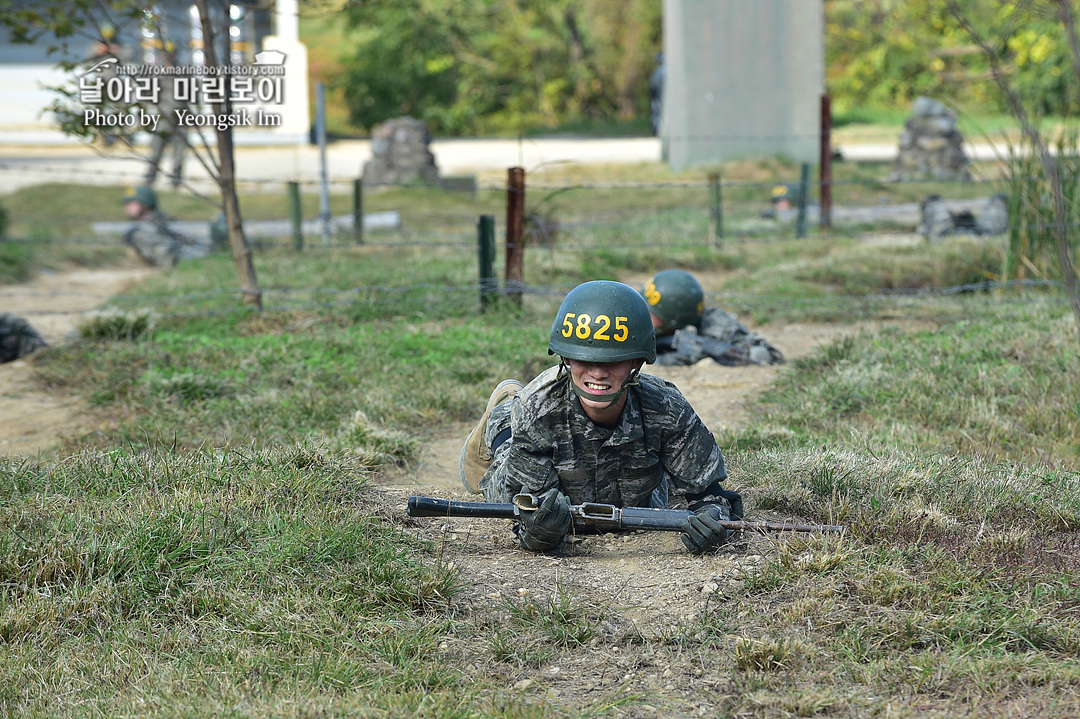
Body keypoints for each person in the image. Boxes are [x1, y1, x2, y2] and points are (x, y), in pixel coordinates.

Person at [459, 280, 743, 554]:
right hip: (535, 442)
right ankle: (502, 416)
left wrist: (712, 520)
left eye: (612, 360)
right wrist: (539, 531)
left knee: (662, 499)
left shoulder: (667, 408)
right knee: (501, 488)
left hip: (632, 497)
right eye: (586, 359)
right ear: (566, 359)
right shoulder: (536, 409)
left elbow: (710, 494)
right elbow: (527, 513)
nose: (598, 373)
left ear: (636, 362)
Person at [641, 269, 784, 367]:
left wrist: (696, 356)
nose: (644, 316)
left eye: (652, 314)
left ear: (674, 319)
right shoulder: (632, 318)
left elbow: (766, 355)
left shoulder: (717, 327)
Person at [122, 185, 210, 267]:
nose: (128, 207)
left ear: (145, 204)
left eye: (132, 203)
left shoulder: (160, 223)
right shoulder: (143, 228)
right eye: (127, 204)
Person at [144, 41, 189, 188]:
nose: (170, 57)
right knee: (156, 151)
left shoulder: (184, 73)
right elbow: (147, 97)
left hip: (181, 120)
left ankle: (176, 181)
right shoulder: (156, 75)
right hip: (163, 119)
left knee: (179, 153)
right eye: (167, 54)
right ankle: (150, 179)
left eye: (172, 53)